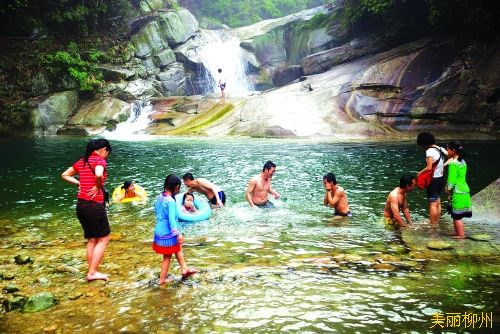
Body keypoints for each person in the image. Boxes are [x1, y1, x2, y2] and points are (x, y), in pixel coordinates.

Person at [61, 139, 112, 282]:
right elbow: (98, 174)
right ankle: (93, 272)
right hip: (94, 205)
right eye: (107, 152)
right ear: (103, 149)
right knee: (104, 238)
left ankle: (92, 270)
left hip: (81, 205)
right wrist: (97, 186)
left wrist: (79, 182)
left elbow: (65, 175)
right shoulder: (99, 161)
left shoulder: (81, 161)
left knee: (92, 239)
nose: (106, 156)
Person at [153, 174, 196, 284]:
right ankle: (162, 280)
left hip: (159, 231)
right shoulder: (171, 201)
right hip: (168, 233)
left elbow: (156, 211)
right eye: (179, 187)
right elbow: (172, 219)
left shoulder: (160, 197)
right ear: (176, 187)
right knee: (167, 256)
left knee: (177, 247)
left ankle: (184, 268)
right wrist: (177, 234)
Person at [416, 132, 448, 224]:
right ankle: (436, 221)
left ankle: (433, 224)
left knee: (432, 203)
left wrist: (419, 173)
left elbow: (429, 168)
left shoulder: (429, 151)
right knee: (438, 201)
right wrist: (444, 165)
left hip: (433, 180)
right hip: (441, 178)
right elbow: (452, 157)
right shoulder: (441, 149)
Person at [445, 141, 472, 238]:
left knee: (457, 217)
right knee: (455, 214)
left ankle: (461, 235)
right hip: (465, 190)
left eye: (448, 150)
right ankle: (458, 233)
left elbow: (451, 180)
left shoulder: (453, 164)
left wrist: (448, 190)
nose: (447, 151)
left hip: (457, 191)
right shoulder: (463, 162)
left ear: (453, 151)